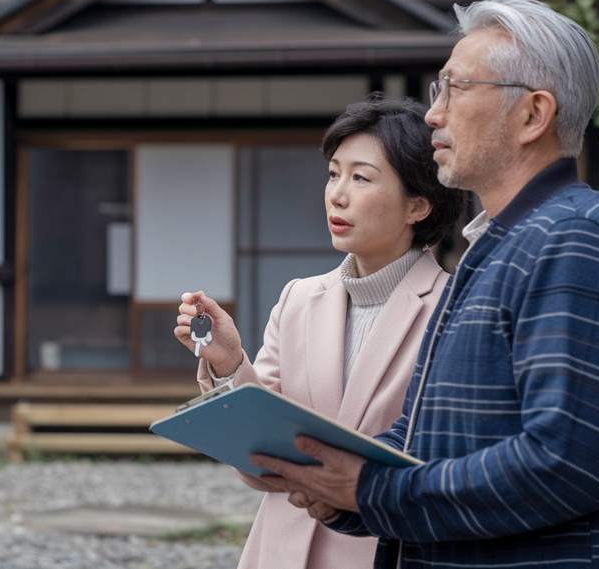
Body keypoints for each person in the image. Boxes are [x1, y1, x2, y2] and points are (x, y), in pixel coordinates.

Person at [250, 0, 599, 569]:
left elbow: (562, 466)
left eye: (456, 89)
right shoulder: (494, 248)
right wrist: (336, 485)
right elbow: (423, 436)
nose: (432, 114)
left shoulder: (575, 240)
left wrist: (367, 489)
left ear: (531, 115)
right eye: (436, 90)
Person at [173, 95, 466, 569]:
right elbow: (262, 467)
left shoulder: (455, 308)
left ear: (418, 205)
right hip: (278, 551)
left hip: (383, 554)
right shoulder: (298, 299)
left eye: (361, 177)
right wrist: (230, 362)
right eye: (333, 173)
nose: (337, 193)